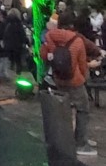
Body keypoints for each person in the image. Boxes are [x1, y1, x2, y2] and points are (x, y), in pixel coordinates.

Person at [40, 9, 104, 156]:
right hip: (75, 81)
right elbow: (81, 65)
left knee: (65, 108)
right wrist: (86, 73)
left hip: (58, 79)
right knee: (83, 109)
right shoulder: (77, 40)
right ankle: (81, 143)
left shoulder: (50, 36)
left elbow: (43, 55)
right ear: (71, 24)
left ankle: (68, 138)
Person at [1, 7, 28, 74]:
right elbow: (22, 34)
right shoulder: (18, 24)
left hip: (8, 45)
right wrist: (27, 42)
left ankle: (9, 73)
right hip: (17, 45)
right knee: (18, 61)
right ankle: (18, 74)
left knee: (10, 60)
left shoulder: (6, 23)